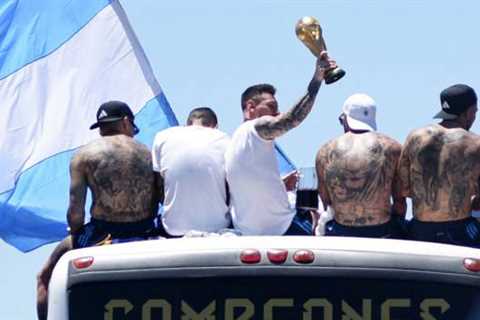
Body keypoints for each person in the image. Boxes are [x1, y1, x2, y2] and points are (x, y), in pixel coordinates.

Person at [37, 101, 161, 320]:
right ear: (125, 122)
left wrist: (75, 233)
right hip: (146, 230)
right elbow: (161, 197)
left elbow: (75, 212)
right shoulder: (150, 154)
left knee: (44, 277)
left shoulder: (83, 156)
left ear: (103, 126)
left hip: (102, 234)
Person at [225, 53, 336, 235]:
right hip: (284, 228)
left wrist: (282, 185)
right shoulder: (254, 128)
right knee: (311, 180)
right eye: (272, 106)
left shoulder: (236, 142)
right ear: (251, 107)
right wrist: (317, 80)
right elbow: (292, 118)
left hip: (247, 231)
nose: (277, 112)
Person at [398, 84, 480, 247]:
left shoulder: (415, 137)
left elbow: (404, 189)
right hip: (459, 231)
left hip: (419, 230)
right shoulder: (476, 143)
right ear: (469, 111)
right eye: (475, 111)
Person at [315, 93, 406, 238]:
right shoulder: (393, 148)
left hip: (342, 231)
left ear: (345, 119)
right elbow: (400, 202)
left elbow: (326, 201)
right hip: (383, 231)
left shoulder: (325, 151)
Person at [151, 107, 231, 237]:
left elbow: (157, 185)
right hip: (218, 228)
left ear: (187, 124)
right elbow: (230, 187)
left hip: (172, 228)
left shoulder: (163, 137)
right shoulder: (224, 139)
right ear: (215, 126)